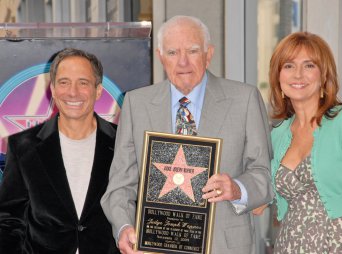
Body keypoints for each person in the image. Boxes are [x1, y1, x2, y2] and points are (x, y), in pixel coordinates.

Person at [101, 15, 273, 254]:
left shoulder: (244, 100)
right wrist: (124, 227)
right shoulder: (136, 103)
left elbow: (264, 174)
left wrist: (237, 189)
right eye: (172, 53)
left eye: (192, 51)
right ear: (160, 56)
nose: (182, 63)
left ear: (209, 54)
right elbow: (120, 185)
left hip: (225, 246)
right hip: (156, 247)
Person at [268, 32, 342, 253]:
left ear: (324, 76)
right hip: (287, 246)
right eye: (289, 66)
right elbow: (262, 198)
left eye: (309, 65)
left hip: (341, 245)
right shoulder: (278, 134)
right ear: (278, 77)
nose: (298, 74)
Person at [0, 48, 119, 254]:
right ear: (53, 89)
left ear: (98, 90)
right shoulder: (22, 146)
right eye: (64, 82)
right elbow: (9, 219)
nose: (72, 92)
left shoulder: (124, 143)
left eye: (83, 82)